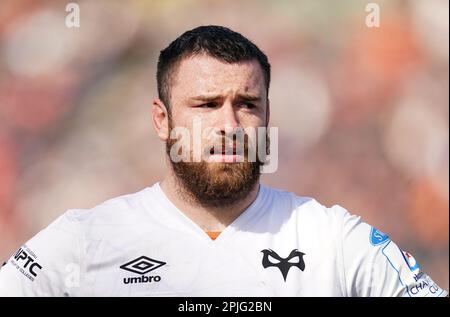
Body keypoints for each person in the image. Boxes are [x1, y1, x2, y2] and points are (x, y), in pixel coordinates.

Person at [0, 25, 447, 297]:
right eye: (206, 104)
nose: (229, 124)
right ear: (162, 119)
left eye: (247, 104)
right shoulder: (84, 241)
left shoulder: (336, 242)